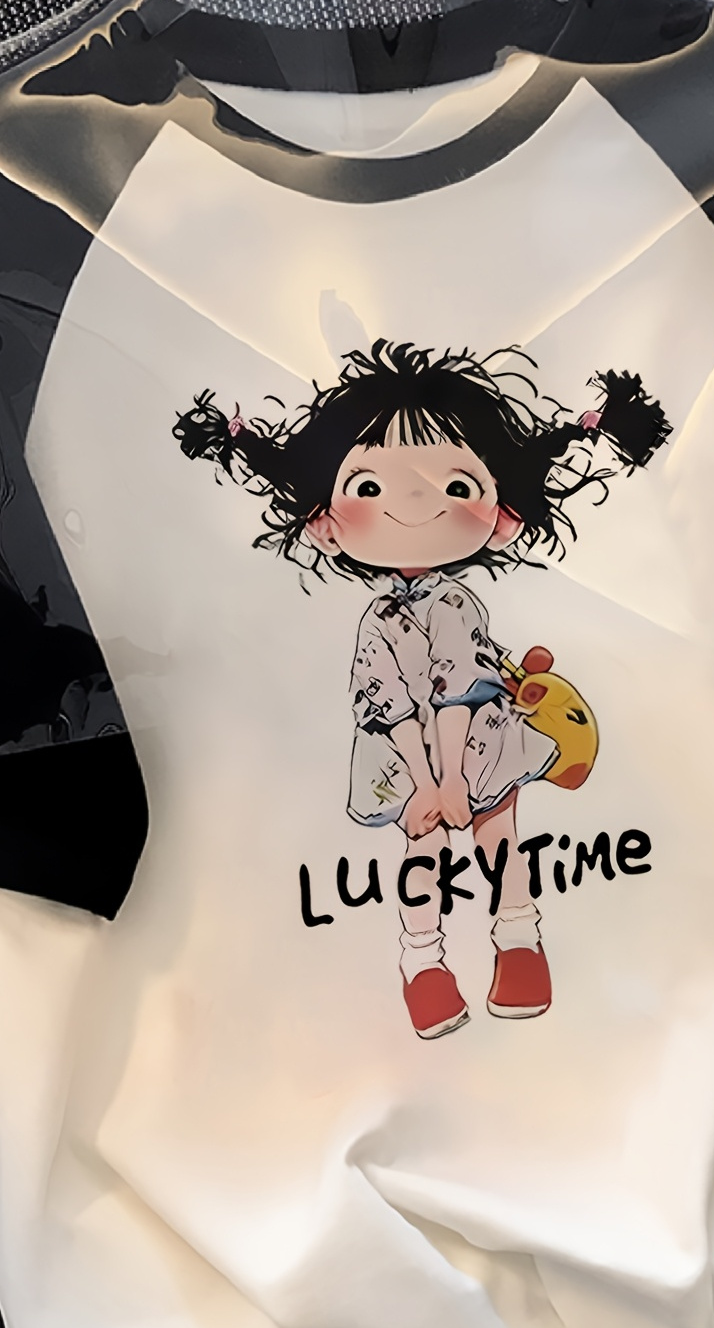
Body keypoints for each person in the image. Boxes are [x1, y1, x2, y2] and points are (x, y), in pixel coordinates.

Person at [173, 339, 669, 1037]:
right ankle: (426, 964)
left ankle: (515, 944)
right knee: (429, 850)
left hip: (478, 744)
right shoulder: (377, 620)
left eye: (456, 486)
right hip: (411, 760)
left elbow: (460, 688)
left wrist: (454, 773)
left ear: (502, 518)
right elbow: (387, 703)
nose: (413, 505)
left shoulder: (457, 605)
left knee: (495, 837)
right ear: (324, 523)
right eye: (368, 487)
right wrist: (429, 781)